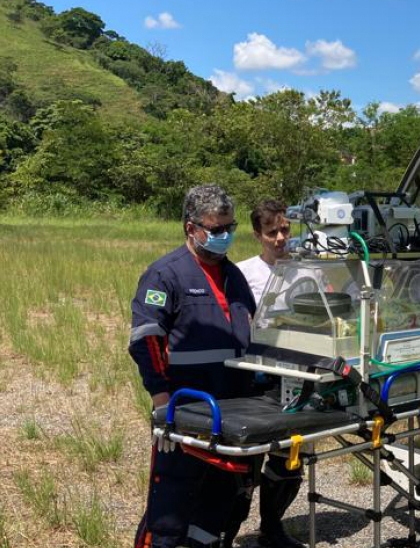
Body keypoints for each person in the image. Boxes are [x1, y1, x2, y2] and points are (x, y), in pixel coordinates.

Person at [130, 184, 257, 548]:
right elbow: (146, 339)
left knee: (221, 505)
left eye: (230, 228)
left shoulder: (234, 276)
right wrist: (162, 402)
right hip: (184, 412)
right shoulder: (165, 275)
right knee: (169, 510)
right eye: (216, 230)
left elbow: (252, 328)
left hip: (232, 412)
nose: (225, 236)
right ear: (191, 228)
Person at [236, 200, 305, 548]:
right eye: (272, 232)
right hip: (258, 375)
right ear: (257, 235)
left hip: (297, 371)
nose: (280, 238)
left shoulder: (305, 267)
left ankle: (271, 527)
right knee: (248, 459)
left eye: (285, 230)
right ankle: (225, 530)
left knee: (290, 455)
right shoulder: (244, 272)